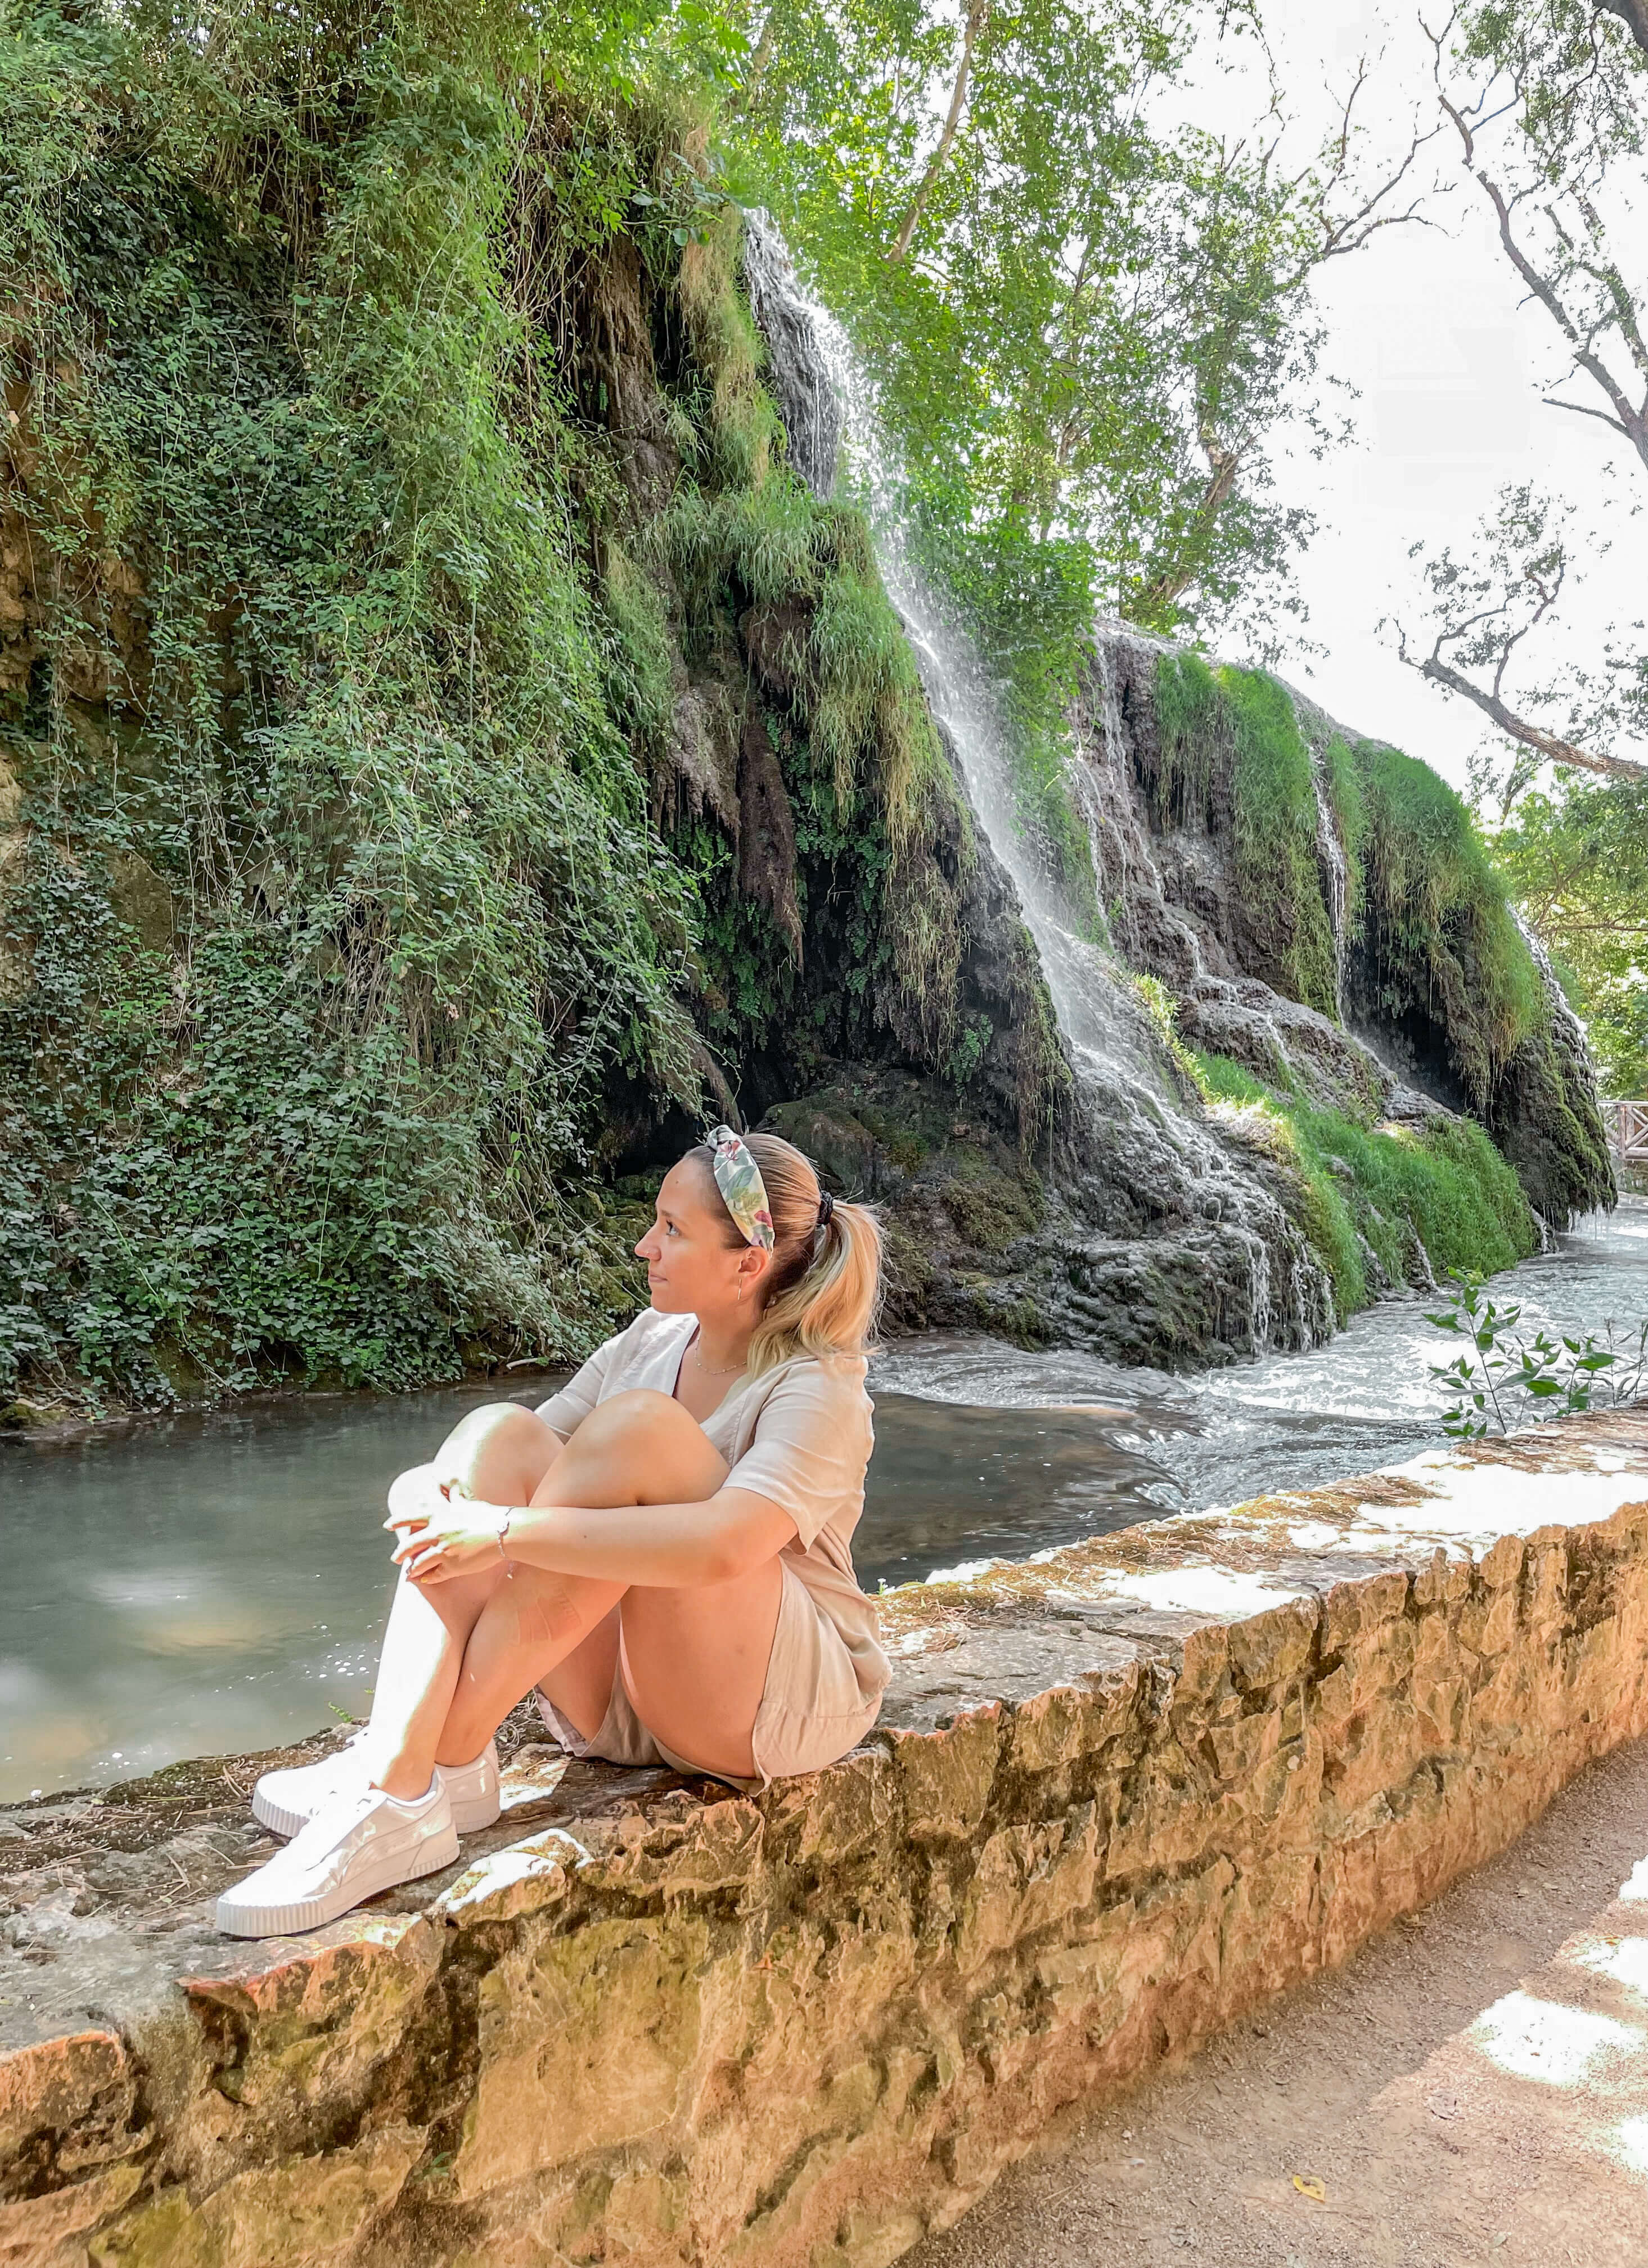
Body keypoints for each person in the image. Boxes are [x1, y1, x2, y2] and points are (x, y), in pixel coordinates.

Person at [215, 1126, 891, 1936]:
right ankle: (428, 1772)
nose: (645, 1246)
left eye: (672, 1230)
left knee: (639, 1431)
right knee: (498, 1429)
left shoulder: (818, 1385)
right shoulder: (651, 1340)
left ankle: (409, 1775)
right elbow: (522, 1454)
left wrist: (500, 1532)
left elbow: (725, 1547)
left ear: (748, 1265)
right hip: (626, 1699)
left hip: (771, 1706)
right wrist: (434, 1487)